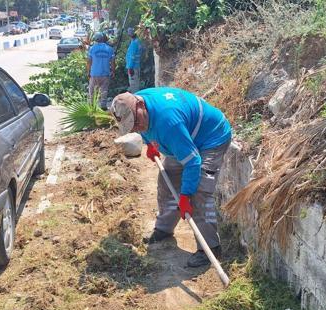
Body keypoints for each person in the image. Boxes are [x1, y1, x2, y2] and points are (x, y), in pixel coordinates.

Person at [110, 88, 232, 268]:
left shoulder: (168, 122)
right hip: (183, 138)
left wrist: (185, 196)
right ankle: (164, 229)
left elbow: (192, 162)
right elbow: (144, 126)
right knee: (166, 181)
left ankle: (210, 248)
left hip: (211, 138)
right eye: (131, 127)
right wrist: (150, 143)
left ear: (141, 105)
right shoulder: (135, 103)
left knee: (199, 192)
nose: (136, 128)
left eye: (135, 123)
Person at [87, 32, 115, 109]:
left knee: (92, 91)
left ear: (95, 39)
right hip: (105, 73)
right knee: (104, 91)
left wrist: (88, 72)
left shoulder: (92, 48)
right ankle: (103, 106)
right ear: (103, 39)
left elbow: (89, 61)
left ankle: (92, 106)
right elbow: (112, 62)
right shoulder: (110, 49)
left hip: (94, 73)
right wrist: (113, 71)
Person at [125, 27, 142, 93]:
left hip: (133, 67)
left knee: (134, 86)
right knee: (135, 84)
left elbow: (132, 56)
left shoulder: (134, 43)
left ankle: (135, 100)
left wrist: (130, 67)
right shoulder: (137, 41)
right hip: (136, 66)